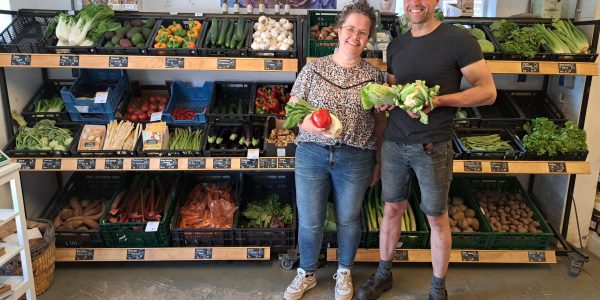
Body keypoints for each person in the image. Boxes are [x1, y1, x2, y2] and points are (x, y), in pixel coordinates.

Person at [356, 0, 497, 300]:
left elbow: (487, 92)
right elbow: (395, 92)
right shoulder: (396, 46)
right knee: (392, 209)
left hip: (433, 144)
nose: (415, 3)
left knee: (436, 217)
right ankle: (384, 273)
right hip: (395, 143)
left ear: (435, 1)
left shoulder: (459, 39)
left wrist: (440, 101)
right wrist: (386, 100)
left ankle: (437, 289)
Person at [283, 1, 386, 299]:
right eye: (350, 29)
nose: (355, 37)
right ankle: (307, 272)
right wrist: (308, 126)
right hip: (312, 154)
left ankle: (344, 271)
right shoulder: (313, 69)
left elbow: (380, 124)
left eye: (362, 33)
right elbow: (291, 112)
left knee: (349, 218)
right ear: (339, 31)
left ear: (368, 39)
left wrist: (378, 160)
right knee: (311, 219)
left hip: (356, 157)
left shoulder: (374, 77)